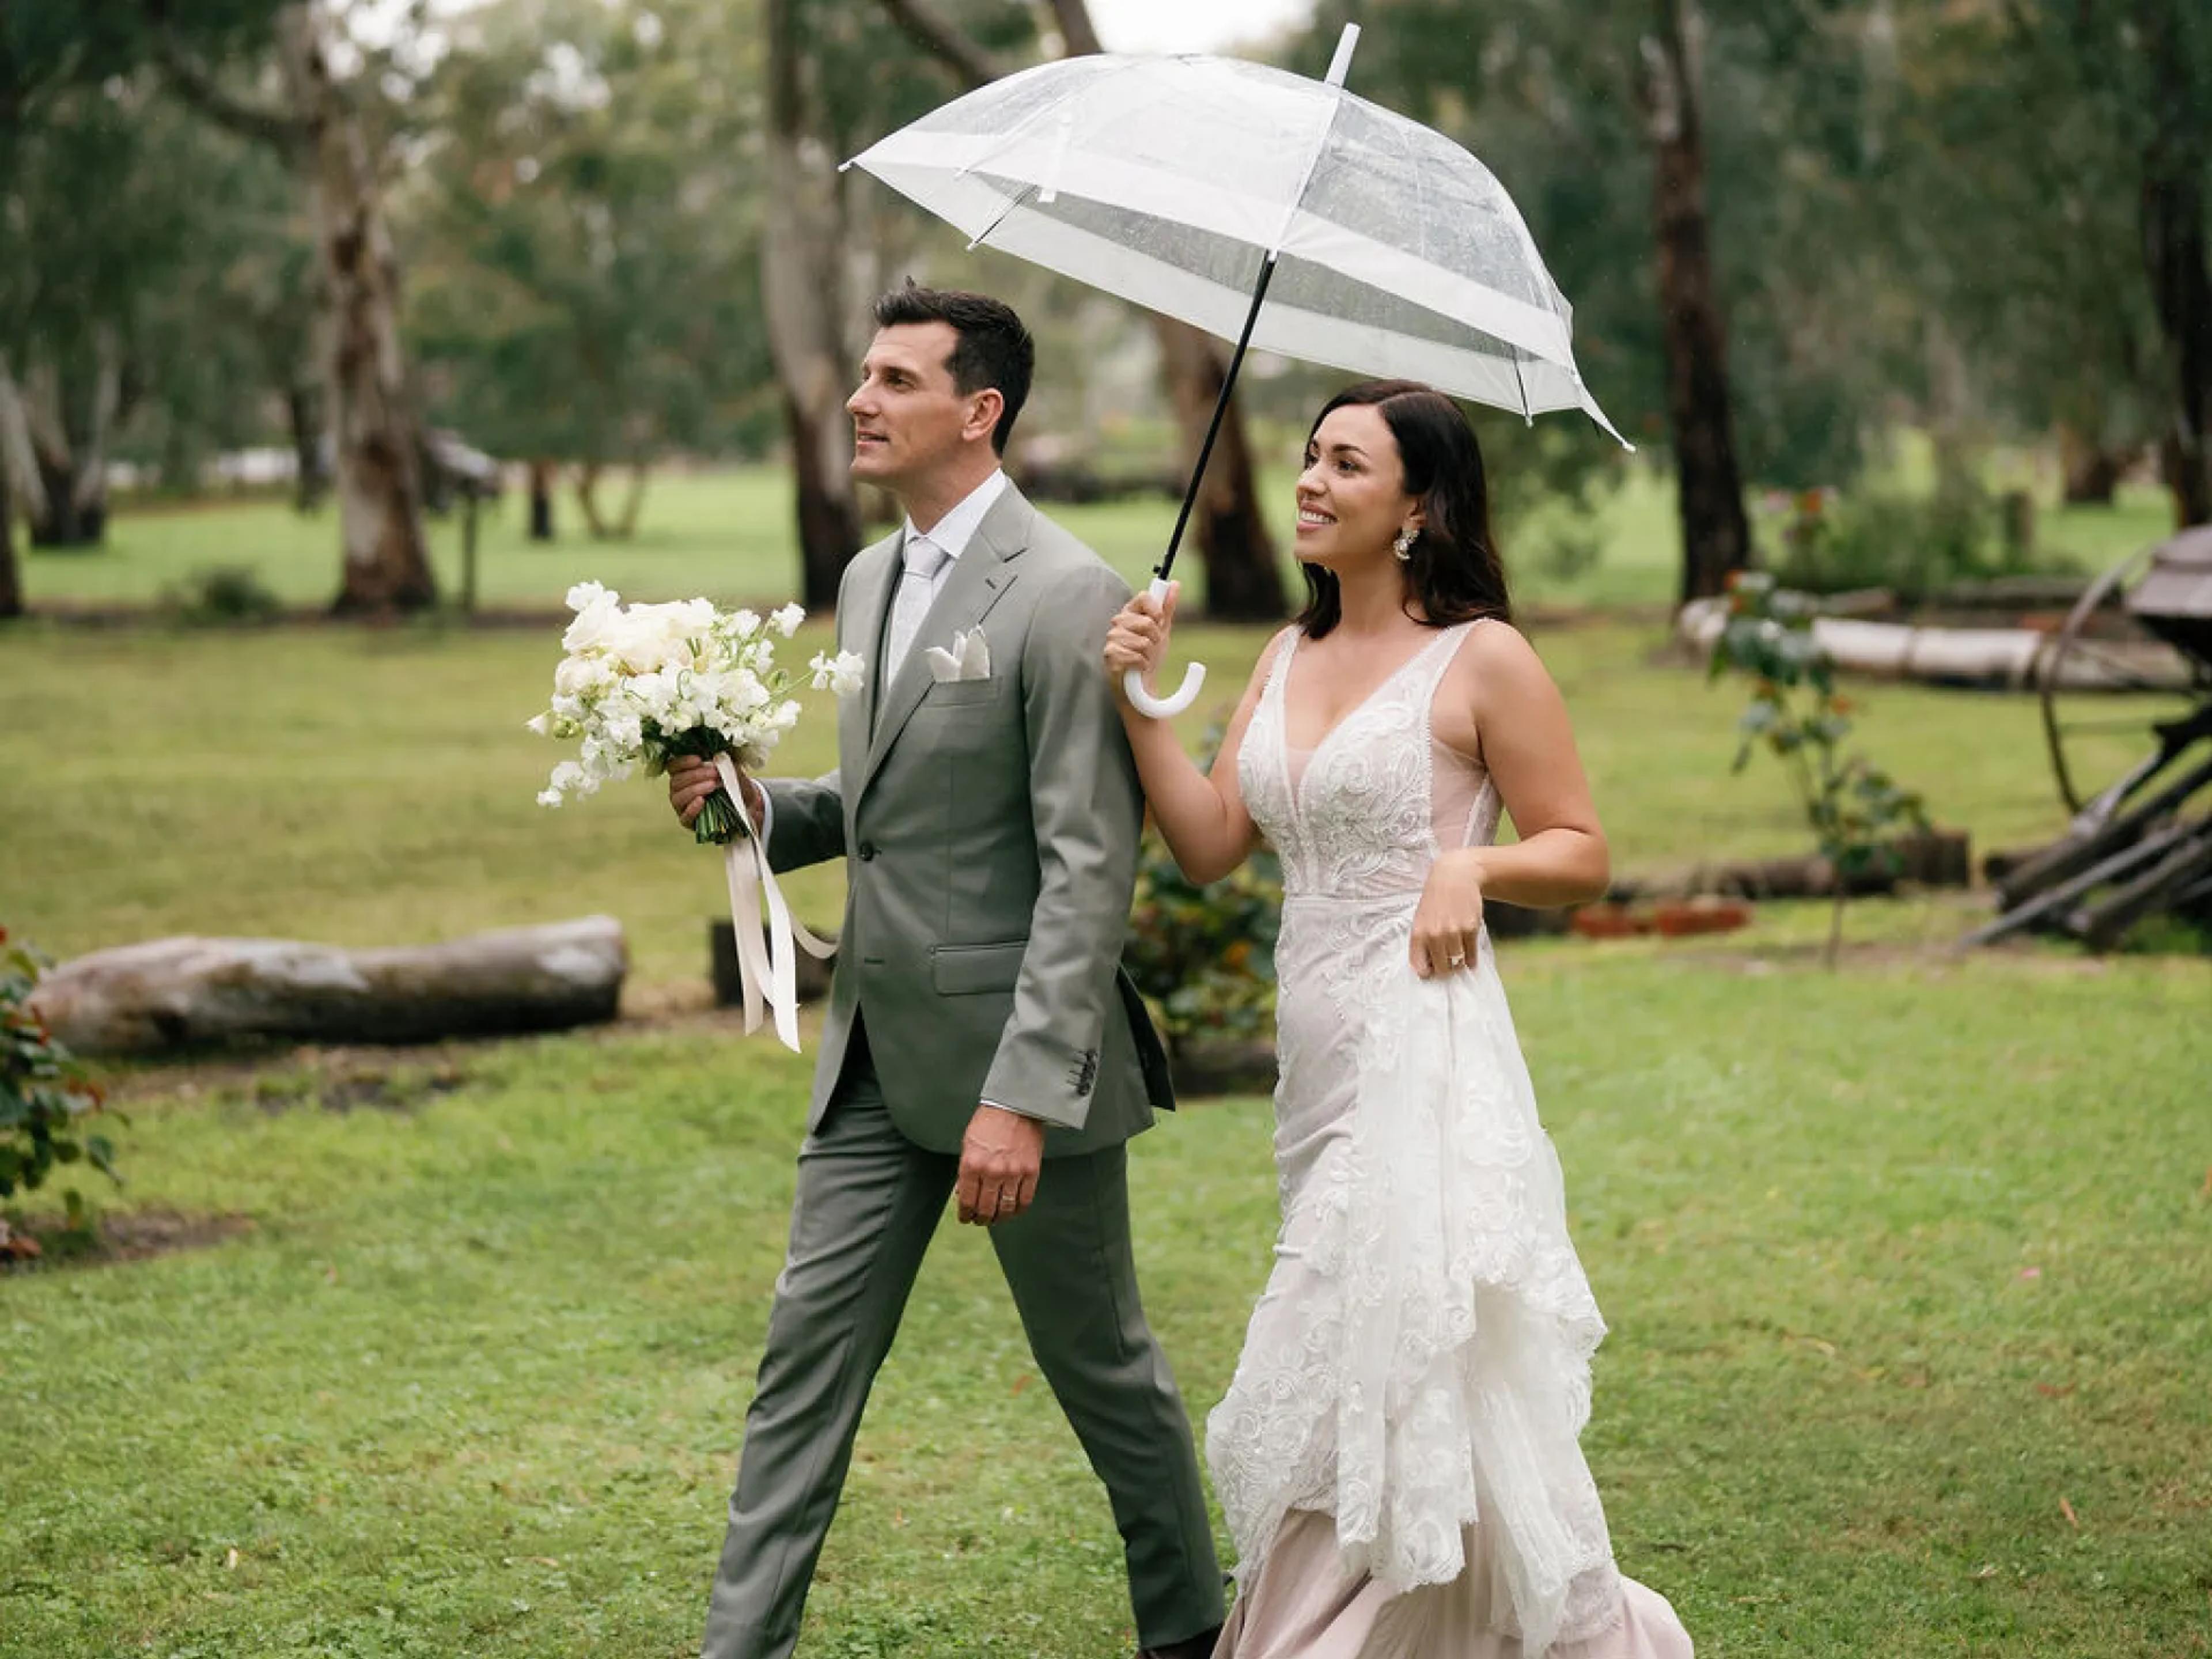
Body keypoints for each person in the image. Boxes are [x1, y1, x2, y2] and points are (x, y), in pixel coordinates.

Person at [666, 286, 1225, 1659]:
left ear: (978, 413)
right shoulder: (869, 578)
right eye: (863, 373)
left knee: (1104, 1376)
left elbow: (1088, 865)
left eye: (896, 380)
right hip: (872, 1054)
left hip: (1014, 1068)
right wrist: (758, 806)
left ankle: (1189, 1632)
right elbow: (892, 799)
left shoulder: (1068, 592)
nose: (862, 400)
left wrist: (1022, 1098)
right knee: (803, 1367)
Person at [1103, 380, 1694, 1658]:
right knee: (1383, 1348)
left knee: (1350, 1329)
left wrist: (1468, 868)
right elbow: (1210, 844)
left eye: (1347, 466)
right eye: (1310, 458)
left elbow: (1581, 850)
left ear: (1419, 506)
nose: (1310, 482)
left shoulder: (1482, 657)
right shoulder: (1283, 652)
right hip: (1310, 1063)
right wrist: (1144, 704)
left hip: (1423, 1046)